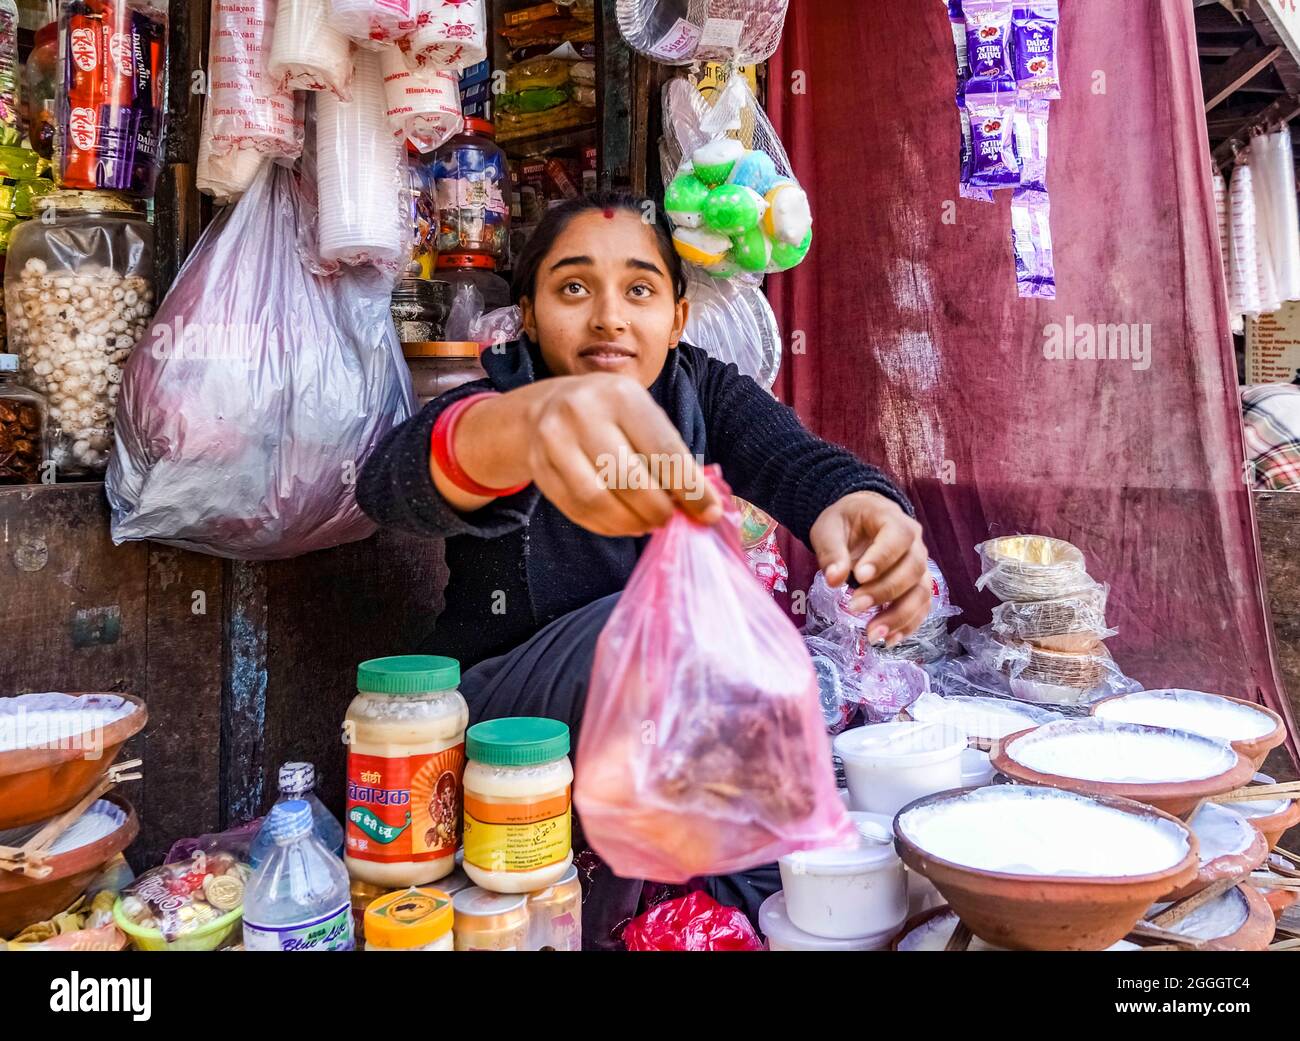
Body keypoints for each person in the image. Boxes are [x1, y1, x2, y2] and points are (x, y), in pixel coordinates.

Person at [358, 190, 932, 949]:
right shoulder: (503, 401)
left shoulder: (702, 390)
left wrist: (862, 507)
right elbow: (389, 483)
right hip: (507, 729)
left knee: (788, 886)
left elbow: (799, 463)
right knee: (654, 631)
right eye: (572, 288)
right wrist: (522, 430)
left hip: (659, 726)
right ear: (525, 314)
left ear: (677, 317)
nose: (609, 318)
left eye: (639, 289)